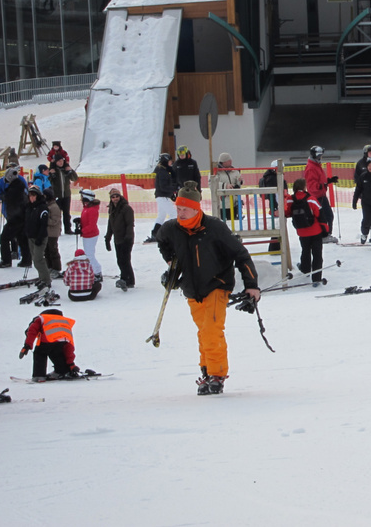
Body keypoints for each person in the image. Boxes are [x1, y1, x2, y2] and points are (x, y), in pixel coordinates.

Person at [156, 181, 260, 395]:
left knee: (212, 330)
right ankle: (206, 372)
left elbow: (241, 255)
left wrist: (251, 286)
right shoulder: (171, 229)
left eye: (185, 209)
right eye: (178, 208)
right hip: (192, 288)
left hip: (217, 284)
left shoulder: (215, 228)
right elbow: (162, 242)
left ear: (196, 208)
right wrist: (171, 264)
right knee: (203, 332)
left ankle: (217, 374)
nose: (181, 213)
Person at [19, 308, 80, 381]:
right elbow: (69, 346)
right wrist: (71, 364)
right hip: (62, 342)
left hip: (47, 340)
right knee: (57, 354)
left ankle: (39, 376)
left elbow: (32, 331)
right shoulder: (64, 323)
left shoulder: (42, 318)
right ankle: (62, 371)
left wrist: (27, 346)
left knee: (40, 353)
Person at [290, 178, 328, 284]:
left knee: (305, 250)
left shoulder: (291, 199)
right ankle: (316, 278)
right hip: (315, 231)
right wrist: (325, 229)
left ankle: (305, 270)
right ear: (304, 187)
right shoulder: (311, 199)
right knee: (317, 254)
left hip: (302, 232)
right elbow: (320, 214)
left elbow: (287, 212)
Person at [0, 165, 31, 268]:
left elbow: (12, 200)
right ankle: (26, 260)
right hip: (21, 217)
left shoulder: (15, 188)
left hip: (15, 218)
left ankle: (6, 260)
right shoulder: (19, 184)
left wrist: (4, 197)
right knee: (22, 238)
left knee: (4, 237)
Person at [304, 146, 338, 243]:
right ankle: (325, 235)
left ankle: (326, 234)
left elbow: (320, 181)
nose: (321, 158)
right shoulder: (311, 167)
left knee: (327, 216)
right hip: (317, 197)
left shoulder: (316, 165)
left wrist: (329, 181)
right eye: (319, 156)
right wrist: (321, 186)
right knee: (326, 216)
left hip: (321, 195)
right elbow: (311, 185)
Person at [105, 187, 135, 290]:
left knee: (125, 260)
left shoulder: (126, 208)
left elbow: (130, 224)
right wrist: (107, 238)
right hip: (117, 238)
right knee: (120, 260)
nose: (115, 198)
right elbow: (110, 224)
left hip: (126, 238)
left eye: (117, 196)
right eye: (113, 197)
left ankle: (127, 280)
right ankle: (126, 279)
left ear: (120, 196)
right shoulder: (112, 209)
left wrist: (128, 237)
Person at [145, 153, 177, 243]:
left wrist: (171, 195)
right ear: (166, 161)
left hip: (162, 196)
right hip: (163, 197)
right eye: (170, 161)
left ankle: (155, 233)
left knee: (161, 216)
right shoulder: (162, 172)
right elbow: (163, 187)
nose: (171, 163)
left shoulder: (163, 170)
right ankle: (171, 233)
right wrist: (174, 189)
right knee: (174, 215)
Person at [25, 185, 51, 291]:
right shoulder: (29, 207)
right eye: (30, 196)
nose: (31, 198)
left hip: (40, 237)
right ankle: (42, 277)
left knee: (38, 259)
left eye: (33, 196)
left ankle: (46, 280)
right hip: (31, 236)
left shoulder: (42, 208)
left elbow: (43, 225)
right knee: (35, 259)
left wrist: (40, 237)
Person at [258, 161, 286, 253]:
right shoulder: (272, 178)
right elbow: (273, 195)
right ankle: (274, 247)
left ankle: (276, 246)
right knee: (278, 226)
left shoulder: (271, 177)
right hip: (277, 205)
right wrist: (275, 208)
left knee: (278, 226)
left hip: (277, 205)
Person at [48, 155, 78, 235]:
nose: (61, 163)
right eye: (59, 161)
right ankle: (58, 230)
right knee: (56, 214)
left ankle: (68, 229)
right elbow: (49, 181)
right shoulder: (53, 170)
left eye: (62, 161)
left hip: (66, 195)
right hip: (57, 195)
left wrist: (70, 170)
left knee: (66, 213)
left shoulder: (66, 169)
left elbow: (74, 178)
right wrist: (51, 174)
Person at [78, 189, 102, 281]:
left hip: (91, 235)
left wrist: (82, 231)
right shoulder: (86, 208)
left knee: (89, 255)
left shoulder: (92, 210)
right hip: (87, 235)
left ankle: (97, 272)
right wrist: (80, 222)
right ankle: (94, 271)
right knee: (89, 254)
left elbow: (92, 225)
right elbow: (86, 220)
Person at [215, 152, 242, 222]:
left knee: (234, 222)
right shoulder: (215, 172)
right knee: (222, 223)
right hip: (221, 203)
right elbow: (212, 183)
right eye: (228, 160)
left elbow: (239, 184)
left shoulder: (235, 171)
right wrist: (225, 186)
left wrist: (240, 182)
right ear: (223, 162)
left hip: (233, 202)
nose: (231, 162)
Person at [44, 188, 62, 279]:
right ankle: (49, 266)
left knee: (53, 250)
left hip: (53, 233)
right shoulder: (47, 206)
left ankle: (56, 268)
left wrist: (44, 219)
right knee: (47, 251)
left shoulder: (54, 207)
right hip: (47, 232)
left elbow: (55, 221)